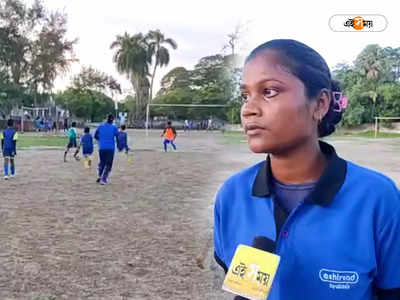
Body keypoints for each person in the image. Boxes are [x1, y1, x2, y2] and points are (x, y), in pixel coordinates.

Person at [213, 39, 400, 300]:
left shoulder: (378, 198)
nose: (249, 109)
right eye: (245, 95)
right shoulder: (232, 196)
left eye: (269, 91)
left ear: (320, 104)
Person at [94, 114, 118, 185]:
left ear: (106, 119)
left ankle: (99, 175)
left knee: (102, 162)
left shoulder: (100, 126)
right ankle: (104, 179)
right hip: (110, 148)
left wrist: (100, 140)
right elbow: (117, 136)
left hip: (101, 148)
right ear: (112, 120)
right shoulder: (114, 127)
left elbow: (95, 135)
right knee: (108, 164)